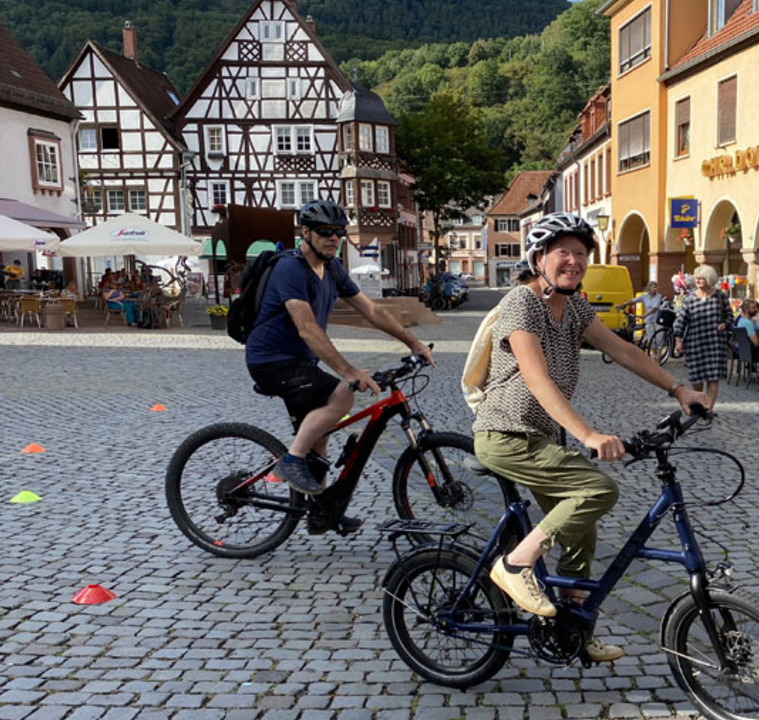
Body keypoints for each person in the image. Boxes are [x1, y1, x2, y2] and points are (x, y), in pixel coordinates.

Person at [473, 212, 707, 663]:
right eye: (564, 252)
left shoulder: (576, 307)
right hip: (504, 435)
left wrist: (679, 390)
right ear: (539, 257)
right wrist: (587, 434)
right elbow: (537, 380)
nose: (574, 261)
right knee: (597, 488)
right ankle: (514, 564)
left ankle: (573, 628)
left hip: (540, 440)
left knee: (581, 527)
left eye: (581, 253)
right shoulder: (521, 304)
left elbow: (623, 350)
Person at [247, 199, 433, 526]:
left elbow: (372, 311)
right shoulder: (290, 269)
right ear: (305, 232)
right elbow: (307, 327)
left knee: (320, 437)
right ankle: (290, 460)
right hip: (270, 360)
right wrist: (348, 372)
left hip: (299, 363)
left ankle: (321, 514)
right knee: (341, 394)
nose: (334, 238)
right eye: (325, 232)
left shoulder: (332, 268)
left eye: (339, 233)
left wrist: (413, 342)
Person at [674, 264, 733, 413]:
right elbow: (681, 320)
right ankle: (701, 400)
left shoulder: (720, 296)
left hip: (715, 343)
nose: (698, 281)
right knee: (696, 377)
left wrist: (724, 324)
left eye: (702, 278)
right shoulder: (690, 299)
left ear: (710, 279)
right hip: (695, 343)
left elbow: (730, 317)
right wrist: (678, 340)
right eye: (697, 278)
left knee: (713, 377)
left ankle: (708, 408)